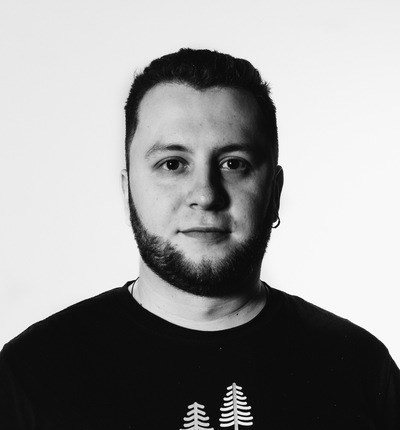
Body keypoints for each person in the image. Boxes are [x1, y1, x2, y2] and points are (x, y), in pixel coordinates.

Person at [0, 48, 399, 429]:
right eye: (172, 164)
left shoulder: (360, 366)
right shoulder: (31, 371)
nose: (205, 195)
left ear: (274, 193)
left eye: (233, 164)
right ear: (127, 192)